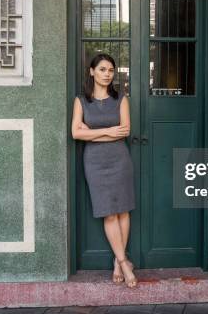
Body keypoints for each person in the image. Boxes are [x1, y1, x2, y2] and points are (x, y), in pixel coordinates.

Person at [71, 53, 138, 288]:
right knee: (108, 212)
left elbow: (125, 131)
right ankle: (124, 261)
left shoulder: (121, 99)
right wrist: (109, 131)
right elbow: (76, 133)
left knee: (123, 210)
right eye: (102, 69)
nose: (107, 74)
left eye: (110, 70)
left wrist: (93, 132)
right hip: (95, 162)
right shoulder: (81, 101)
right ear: (91, 72)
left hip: (119, 159)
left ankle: (118, 263)